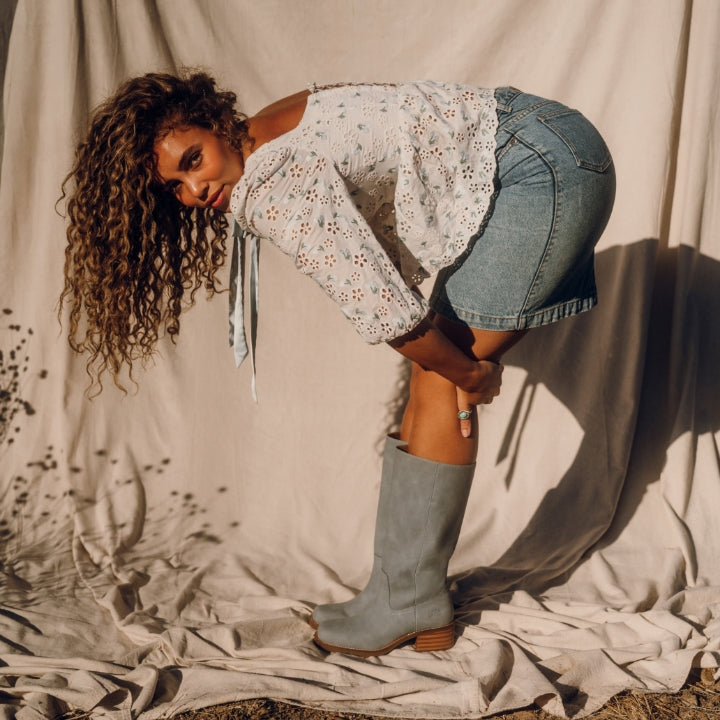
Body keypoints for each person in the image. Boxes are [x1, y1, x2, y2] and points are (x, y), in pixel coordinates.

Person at [60, 71, 615, 658]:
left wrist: (470, 374)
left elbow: (386, 311)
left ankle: (409, 603)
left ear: (211, 121)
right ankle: (394, 591)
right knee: (435, 372)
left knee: (439, 376)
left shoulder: (272, 182)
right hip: (543, 136)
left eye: (192, 160)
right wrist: (463, 368)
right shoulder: (268, 124)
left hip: (539, 169)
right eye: (174, 186)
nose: (194, 189)